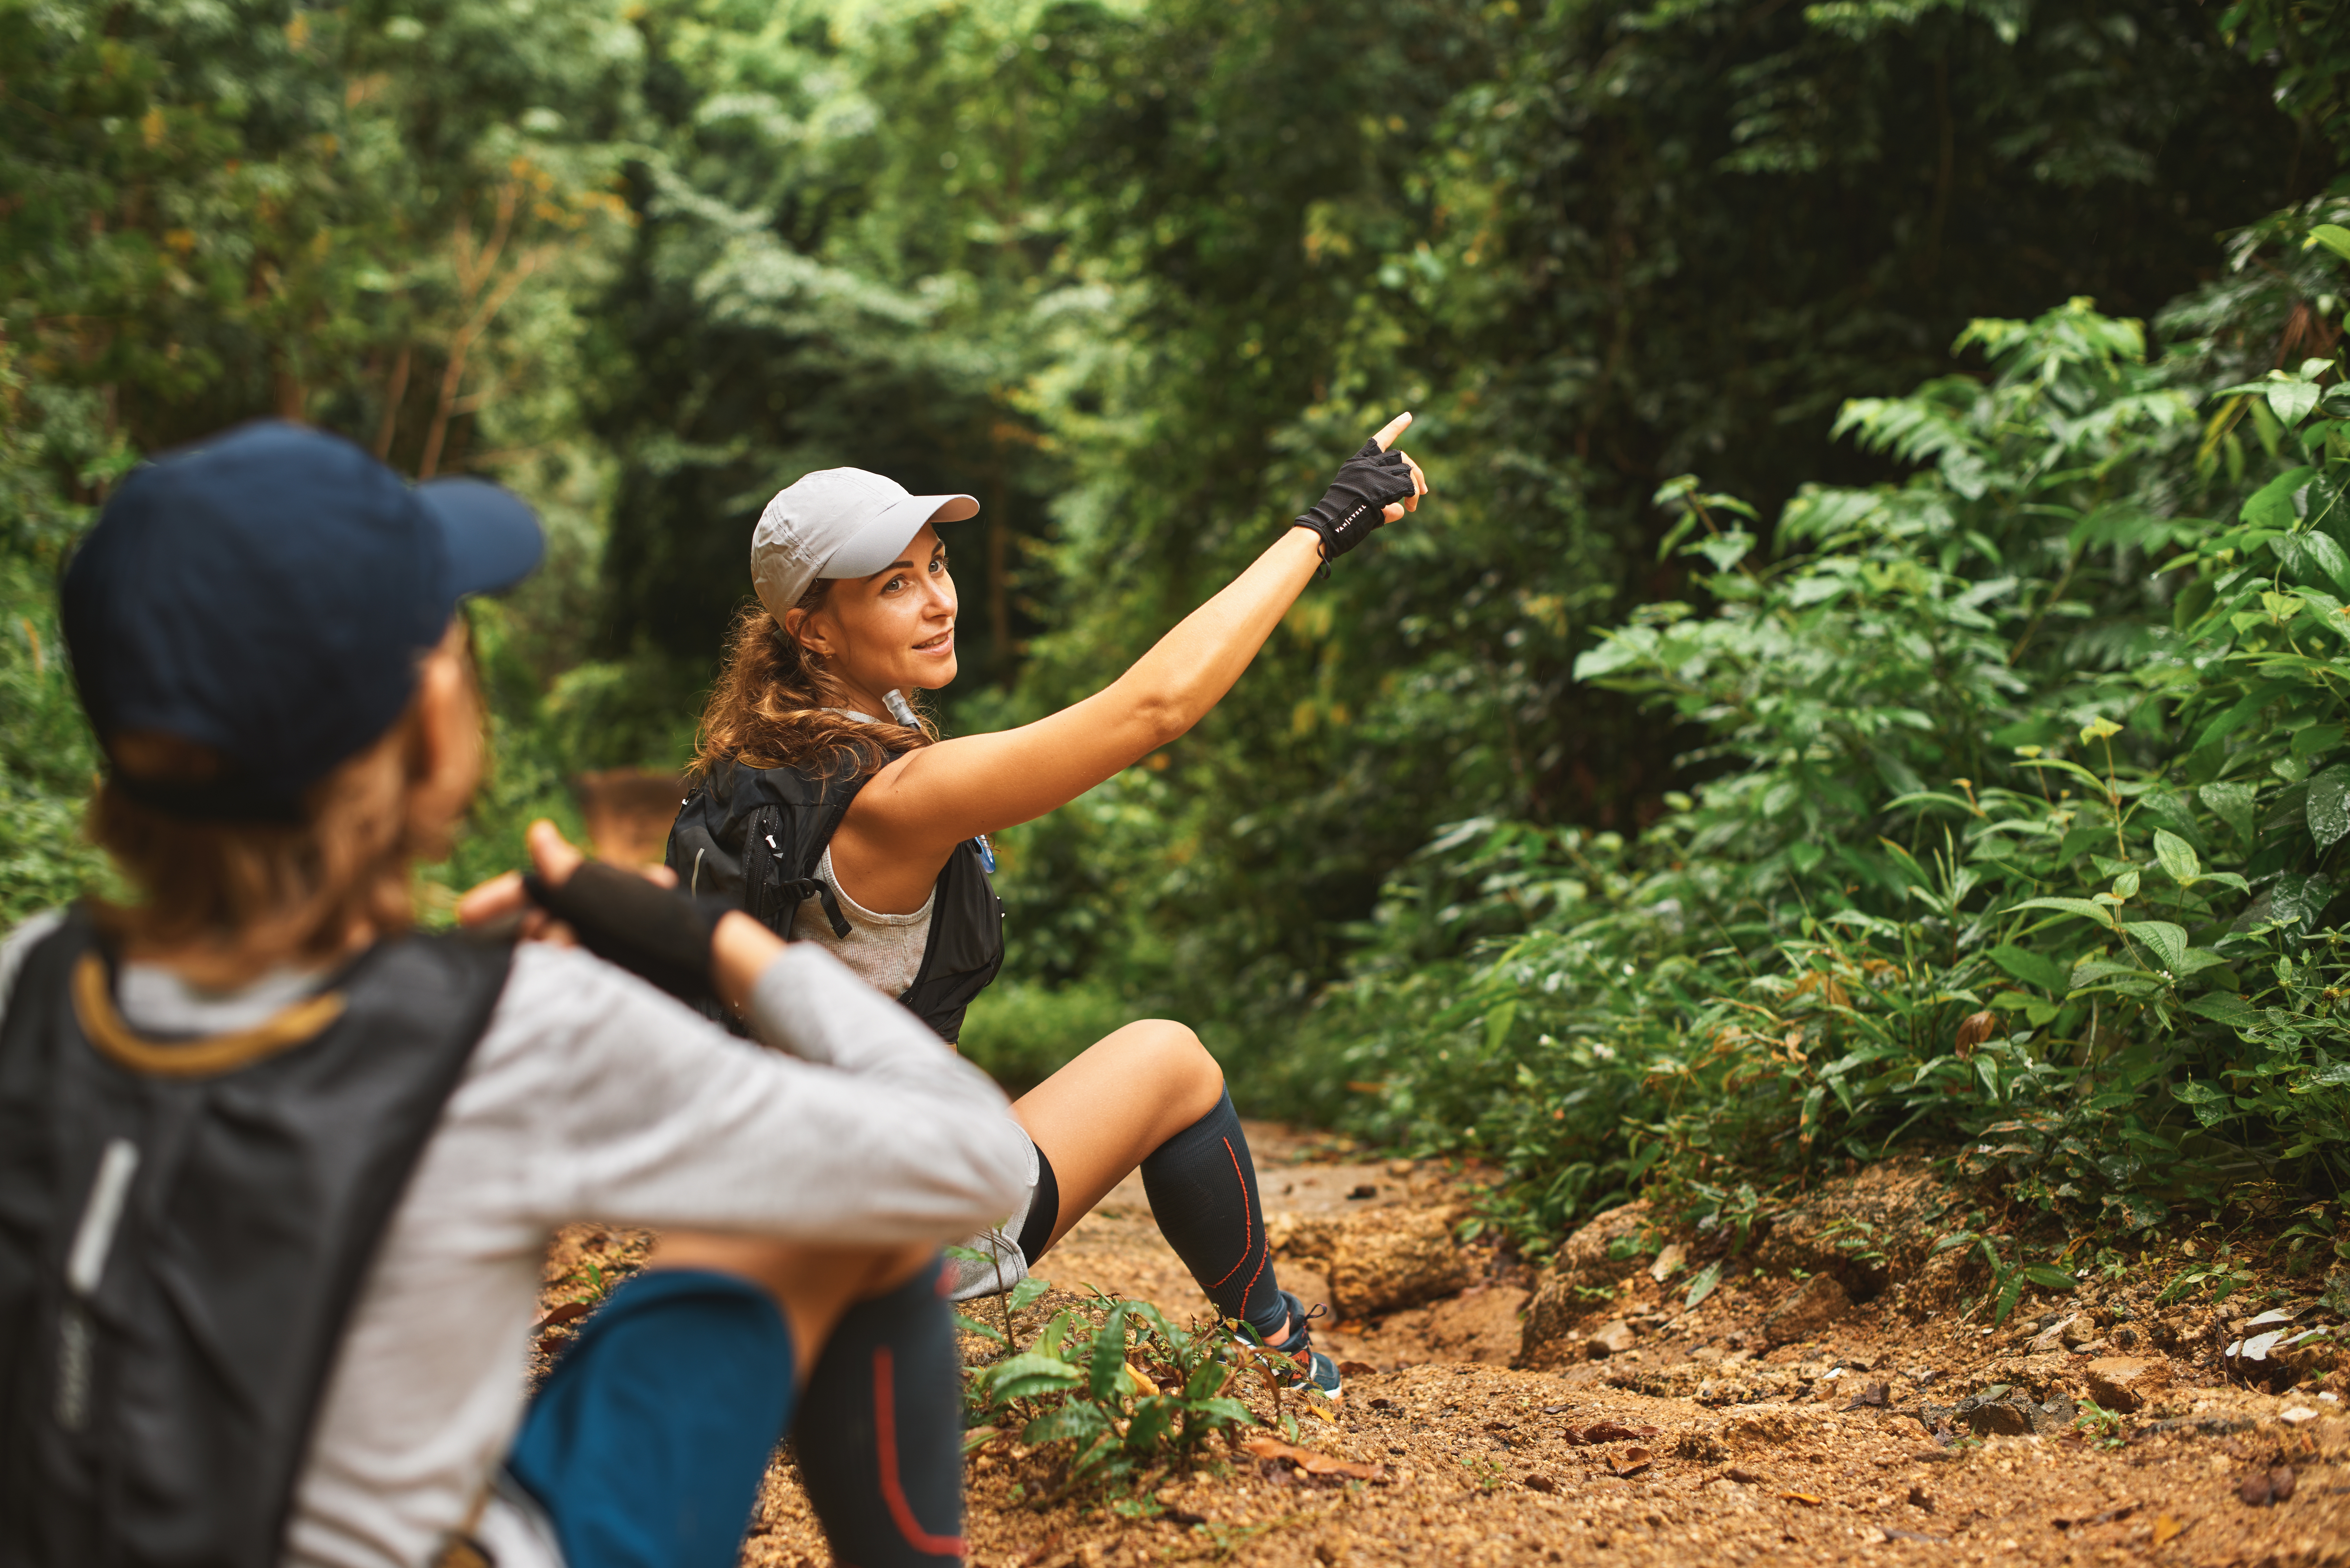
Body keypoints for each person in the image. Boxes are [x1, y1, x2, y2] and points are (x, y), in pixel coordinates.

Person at [0, 421, 1030, 1568]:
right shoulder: (503, 1028)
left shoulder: (31, 984)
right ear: (426, 724)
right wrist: (718, 947)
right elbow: (974, 1156)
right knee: (843, 1218)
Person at [666, 413, 1429, 1399]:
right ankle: (1282, 1352)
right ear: (812, 630)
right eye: (894, 585)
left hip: (762, 1223)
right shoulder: (898, 798)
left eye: (935, 565)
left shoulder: (758, 772)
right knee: (1170, 1059)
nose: (938, 601)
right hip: (879, 1243)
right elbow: (1155, 707)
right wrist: (1323, 527)